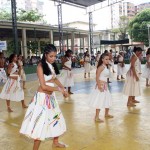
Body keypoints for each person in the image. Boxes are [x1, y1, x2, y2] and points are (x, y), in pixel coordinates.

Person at [20, 44, 68, 150]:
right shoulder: (40, 66)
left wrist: (62, 87)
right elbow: (43, 86)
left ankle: (55, 142)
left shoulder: (51, 65)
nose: (53, 58)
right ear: (45, 55)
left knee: (56, 119)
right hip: (42, 99)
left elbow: (54, 79)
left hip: (51, 99)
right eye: (51, 56)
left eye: (55, 56)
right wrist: (58, 89)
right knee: (40, 125)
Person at [87, 53, 113, 123]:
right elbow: (97, 77)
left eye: (108, 59)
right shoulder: (101, 67)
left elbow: (107, 76)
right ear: (102, 60)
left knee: (107, 99)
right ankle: (96, 117)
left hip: (105, 86)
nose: (108, 60)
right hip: (101, 86)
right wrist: (99, 86)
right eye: (106, 59)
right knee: (99, 100)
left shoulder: (106, 66)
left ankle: (106, 113)